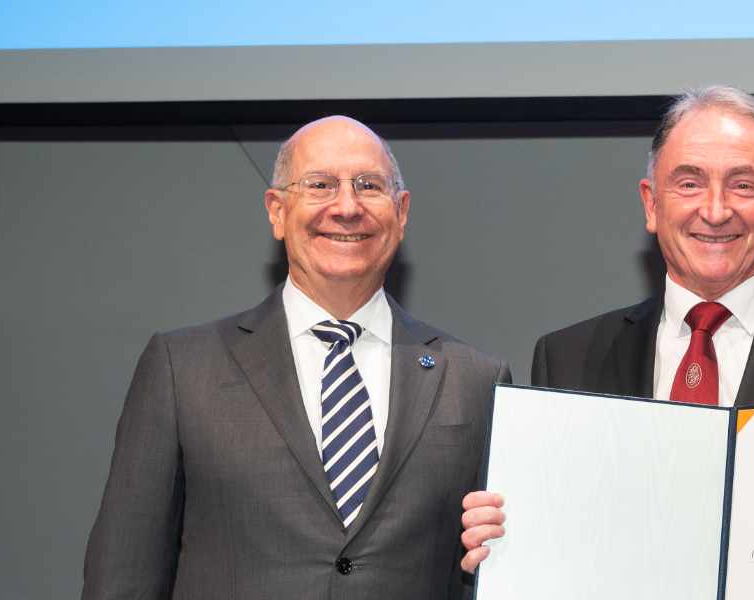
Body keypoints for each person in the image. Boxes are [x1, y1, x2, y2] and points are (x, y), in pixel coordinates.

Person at [458, 86, 754, 573]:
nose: (715, 211)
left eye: (743, 185)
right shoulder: (565, 358)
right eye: (690, 183)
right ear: (651, 204)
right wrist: (504, 543)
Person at [83, 116, 509, 599]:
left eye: (368, 186)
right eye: (320, 185)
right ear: (277, 211)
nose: (346, 207)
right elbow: (123, 577)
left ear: (402, 211)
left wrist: (496, 552)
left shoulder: (474, 380)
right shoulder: (182, 369)